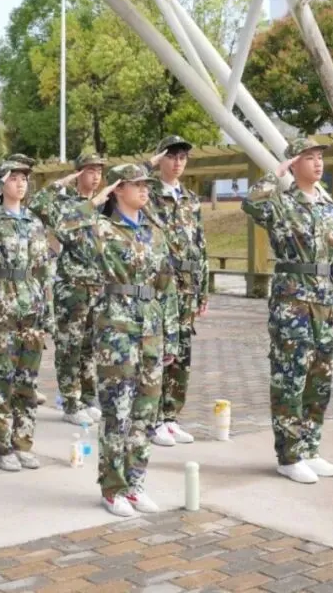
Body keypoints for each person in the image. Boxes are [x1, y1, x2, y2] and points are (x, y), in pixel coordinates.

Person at [49, 163, 179, 517]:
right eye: (135, 184)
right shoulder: (100, 229)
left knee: (145, 412)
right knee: (117, 412)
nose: (144, 189)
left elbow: (167, 286)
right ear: (118, 189)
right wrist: (95, 201)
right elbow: (63, 226)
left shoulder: (154, 231)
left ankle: (136, 484)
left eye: (146, 184)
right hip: (116, 330)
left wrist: (171, 337)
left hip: (150, 328)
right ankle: (113, 488)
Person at [241, 136, 333, 485]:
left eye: (320, 157)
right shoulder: (281, 204)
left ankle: (310, 448)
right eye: (309, 157)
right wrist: (275, 174)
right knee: (290, 377)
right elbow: (251, 204)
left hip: (323, 302)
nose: (318, 163)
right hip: (292, 303)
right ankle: (289, 456)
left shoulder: (327, 207)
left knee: (319, 378)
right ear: (294, 164)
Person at [0, 161, 53, 472]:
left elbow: (43, 270)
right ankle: (2, 445)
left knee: (27, 381)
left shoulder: (33, 222)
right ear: (1, 184)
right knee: (1, 379)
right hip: (0, 308)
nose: (20, 184)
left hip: (31, 307)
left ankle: (23, 443)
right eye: (13, 178)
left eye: (24, 179)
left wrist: (47, 313)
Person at [29, 152, 105, 427]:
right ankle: (70, 402)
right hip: (72, 286)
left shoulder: (104, 205)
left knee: (89, 346)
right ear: (78, 173)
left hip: (98, 285)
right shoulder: (64, 203)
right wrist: (60, 183)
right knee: (69, 346)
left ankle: (88, 398)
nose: (95, 176)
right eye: (89, 170)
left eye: (99, 171)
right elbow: (36, 205)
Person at [143, 136, 209, 447]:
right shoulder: (147, 193)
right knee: (158, 351)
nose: (178, 162)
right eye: (171, 156)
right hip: (160, 286)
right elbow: (123, 179)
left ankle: (170, 416)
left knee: (181, 353)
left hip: (187, 287)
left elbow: (200, 245)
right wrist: (150, 162)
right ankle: (152, 418)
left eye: (183, 157)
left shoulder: (191, 199)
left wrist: (203, 290)